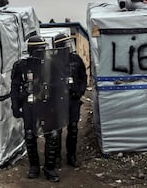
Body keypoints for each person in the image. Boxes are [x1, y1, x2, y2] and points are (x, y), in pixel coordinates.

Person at [10, 35, 61, 182]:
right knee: (30, 136)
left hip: (47, 105)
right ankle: (34, 167)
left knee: (52, 136)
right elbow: (14, 87)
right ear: (31, 50)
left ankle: (49, 168)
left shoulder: (51, 64)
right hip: (30, 105)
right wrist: (15, 105)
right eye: (39, 50)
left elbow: (59, 85)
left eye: (43, 49)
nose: (41, 52)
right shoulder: (21, 66)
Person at [53, 33, 87, 168]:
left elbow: (83, 77)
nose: (67, 46)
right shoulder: (52, 61)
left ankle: (71, 156)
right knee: (57, 130)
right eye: (64, 44)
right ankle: (56, 158)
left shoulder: (76, 59)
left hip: (73, 100)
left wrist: (79, 92)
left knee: (73, 129)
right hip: (58, 101)